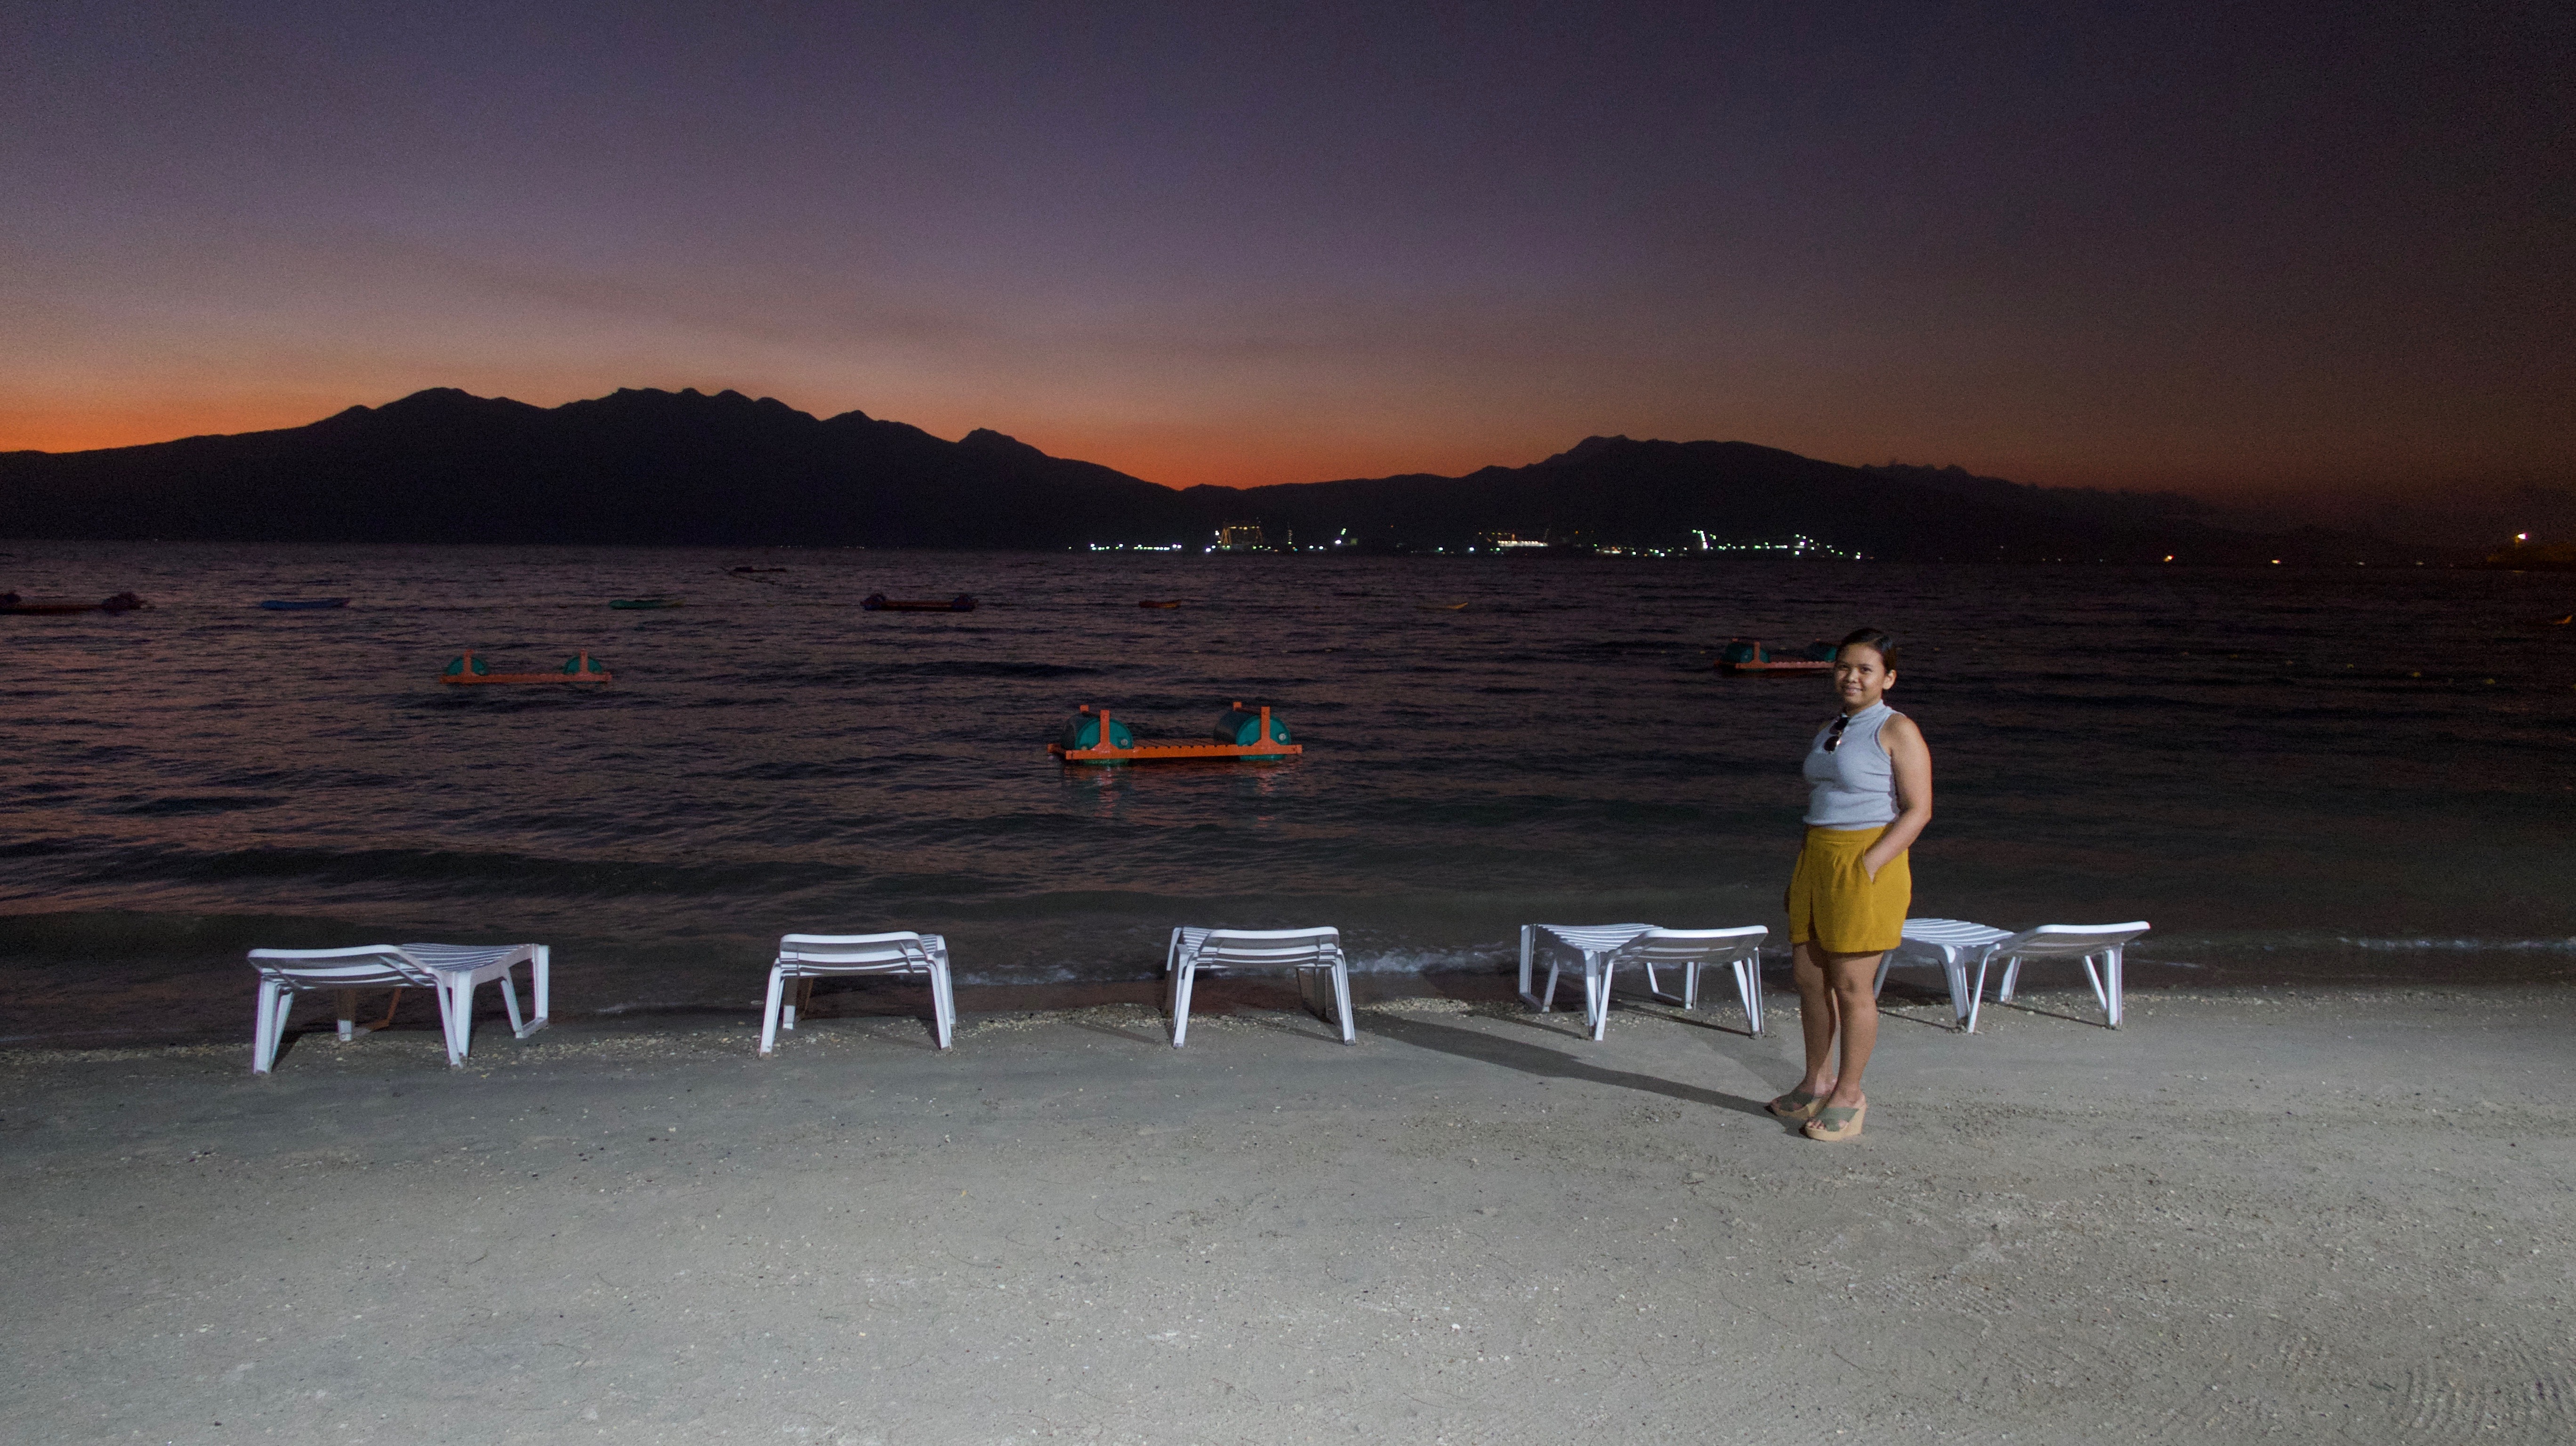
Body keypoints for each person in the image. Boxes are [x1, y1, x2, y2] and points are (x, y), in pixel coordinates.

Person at [1769, 627, 1931, 1142]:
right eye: (1844, 667)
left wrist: (1870, 864)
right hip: (1817, 857)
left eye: (1865, 669)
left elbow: (1919, 810)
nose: (1852, 676)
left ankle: (1850, 1093)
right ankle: (1816, 1079)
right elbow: (1819, 803)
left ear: (1888, 678)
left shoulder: (1898, 729)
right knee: (1810, 979)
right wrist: (1802, 871)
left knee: (1852, 986)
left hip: (1866, 861)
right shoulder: (1830, 727)